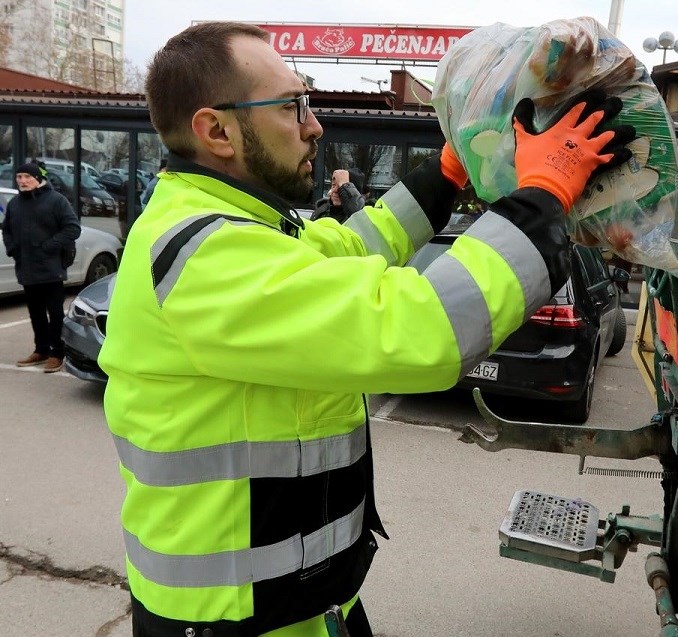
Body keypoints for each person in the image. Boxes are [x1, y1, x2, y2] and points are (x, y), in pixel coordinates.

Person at [99, 21, 633, 637]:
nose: (314, 124)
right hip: (236, 622)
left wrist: (451, 170)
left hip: (302, 609)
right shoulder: (204, 255)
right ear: (216, 130)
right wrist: (543, 192)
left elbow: (356, 243)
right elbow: (425, 325)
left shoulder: (244, 229)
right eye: (292, 105)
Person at [1, 160, 80, 373]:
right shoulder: (15, 203)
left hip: (51, 269)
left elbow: (73, 228)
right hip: (26, 268)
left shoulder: (56, 200)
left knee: (55, 313)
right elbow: (6, 228)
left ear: (38, 179)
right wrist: (12, 249)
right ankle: (41, 349)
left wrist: (48, 246)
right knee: (35, 313)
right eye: (19, 177)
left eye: (27, 177)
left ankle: (57, 352)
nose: (23, 181)